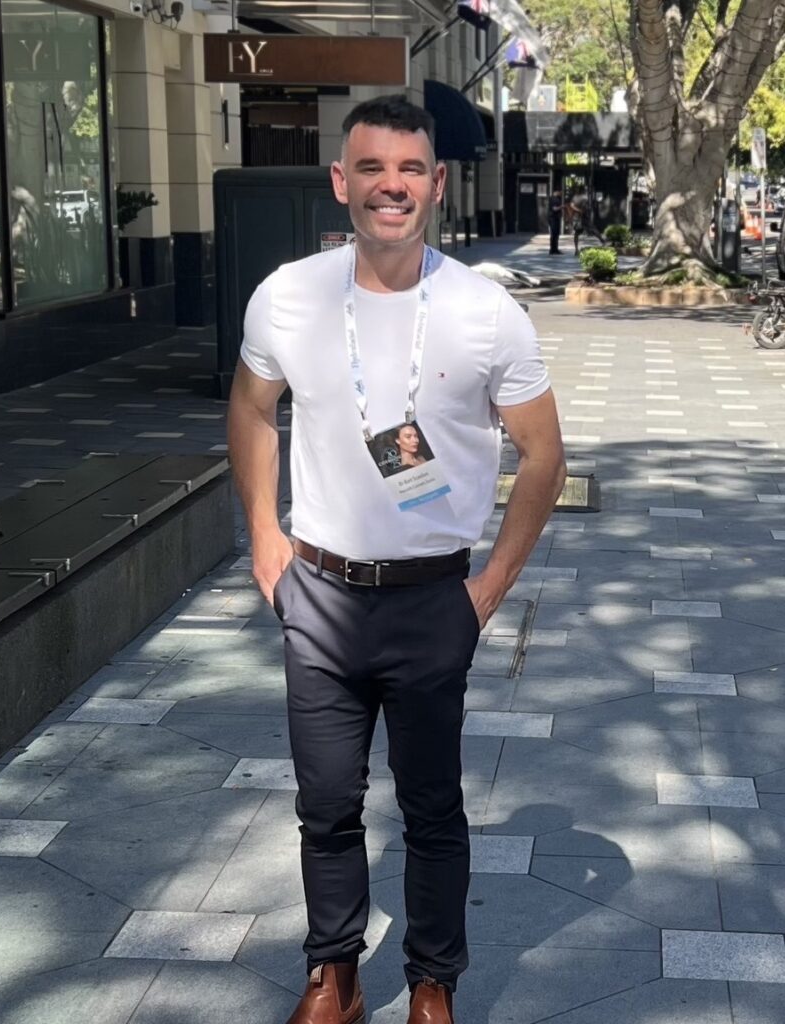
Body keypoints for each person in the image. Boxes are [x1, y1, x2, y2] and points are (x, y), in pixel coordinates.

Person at [228, 94, 566, 1024]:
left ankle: (431, 982)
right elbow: (251, 409)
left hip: (430, 600)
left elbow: (543, 455)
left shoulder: (484, 311)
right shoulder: (289, 294)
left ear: (437, 183)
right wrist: (264, 535)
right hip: (320, 595)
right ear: (341, 182)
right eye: (372, 167)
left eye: (409, 169)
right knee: (325, 804)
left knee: (431, 807)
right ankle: (332, 976)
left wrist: (487, 589)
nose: (391, 186)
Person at [547, 187, 564, 254]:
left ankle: (555, 249)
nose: (561, 193)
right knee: (554, 234)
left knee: (556, 234)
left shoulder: (555, 198)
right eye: (560, 192)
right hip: (553, 219)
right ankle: (553, 249)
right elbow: (554, 209)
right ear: (557, 191)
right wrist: (561, 207)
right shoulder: (554, 199)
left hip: (555, 218)